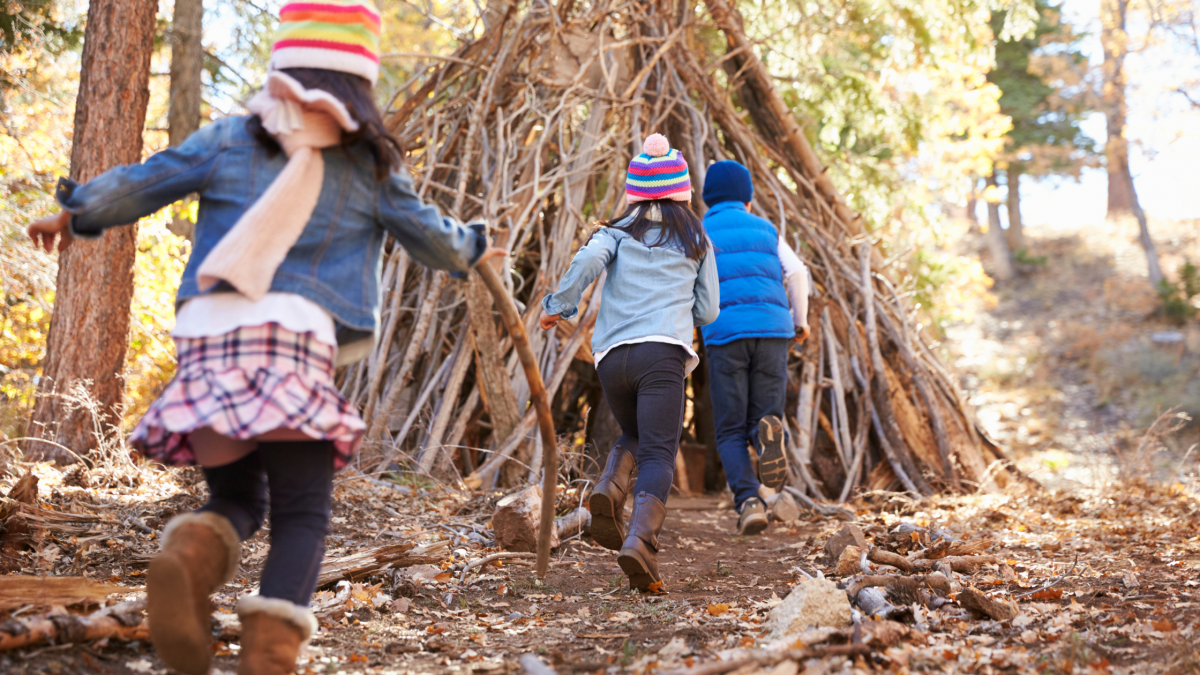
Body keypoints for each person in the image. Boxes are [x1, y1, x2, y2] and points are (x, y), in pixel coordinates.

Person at [27, 3, 499, 673]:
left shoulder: (229, 139)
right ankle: (268, 660)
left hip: (210, 343)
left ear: (282, 66)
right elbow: (430, 237)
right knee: (302, 512)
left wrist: (73, 215)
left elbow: (146, 181)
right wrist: (475, 247)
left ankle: (187, 560)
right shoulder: (370, 167)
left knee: (235, 499)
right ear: (360, 81)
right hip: (292, 347)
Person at [539, 134, 719, 591]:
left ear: (635, 192)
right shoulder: (696, 237)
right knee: (660, 449)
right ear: (682, 191)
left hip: (611, 357)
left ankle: (609, 489)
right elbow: (709, 311)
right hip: (662, 354)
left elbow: (587, 262)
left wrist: (558, 306)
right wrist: (683, 314)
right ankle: (640, 542)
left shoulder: (615, 232)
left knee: (637, 434)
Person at [699, 160, 811, 536]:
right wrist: (800, 320)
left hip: (726, 333)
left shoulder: (701, 231)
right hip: (773, 331)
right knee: (764, 417)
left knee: (729, 429)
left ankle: (748, 502)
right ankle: (767, 437)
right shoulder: (766, 229)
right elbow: (796, 272)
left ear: (707, 197)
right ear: (747, 198)